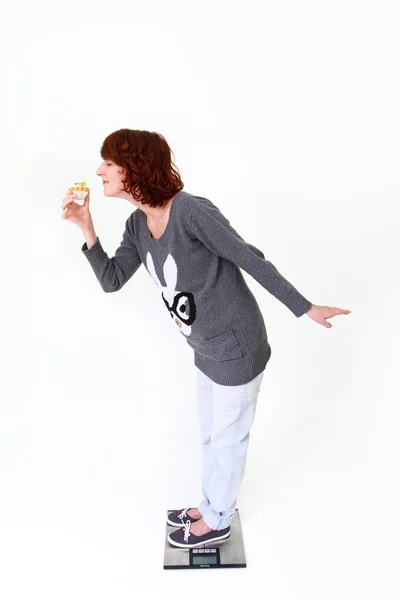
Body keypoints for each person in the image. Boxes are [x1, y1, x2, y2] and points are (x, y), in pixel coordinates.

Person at [61, 128, 351, 549]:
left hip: (237, 346)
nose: (99, 170)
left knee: (229, 439)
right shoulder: (137, 225)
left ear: (135, 167)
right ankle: (211, 503)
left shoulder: (191, 212)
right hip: (205, 348)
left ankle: (218, 521)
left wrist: (304, 306)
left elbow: (249, 258)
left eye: (108, 163)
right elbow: (111, 280)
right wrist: (86, 227)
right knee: (212, 436)